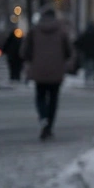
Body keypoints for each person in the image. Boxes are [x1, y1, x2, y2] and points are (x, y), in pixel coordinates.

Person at [22, 9, 72, 139]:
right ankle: (49, 125)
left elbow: (25, 50)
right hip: (56, 70)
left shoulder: (34, 30)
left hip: (39, 70)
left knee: (40, 96)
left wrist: (30, 60)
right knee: (53, 99)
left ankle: (43, 118)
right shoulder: (61, 31)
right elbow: (68, 51)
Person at [75, 21, 94, 87]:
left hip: (86, 54)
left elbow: (78, 43)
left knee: (87, 67)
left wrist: (81, 49)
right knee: (93, 67)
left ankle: (87, 79)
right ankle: (93, 78)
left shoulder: (85, 34)